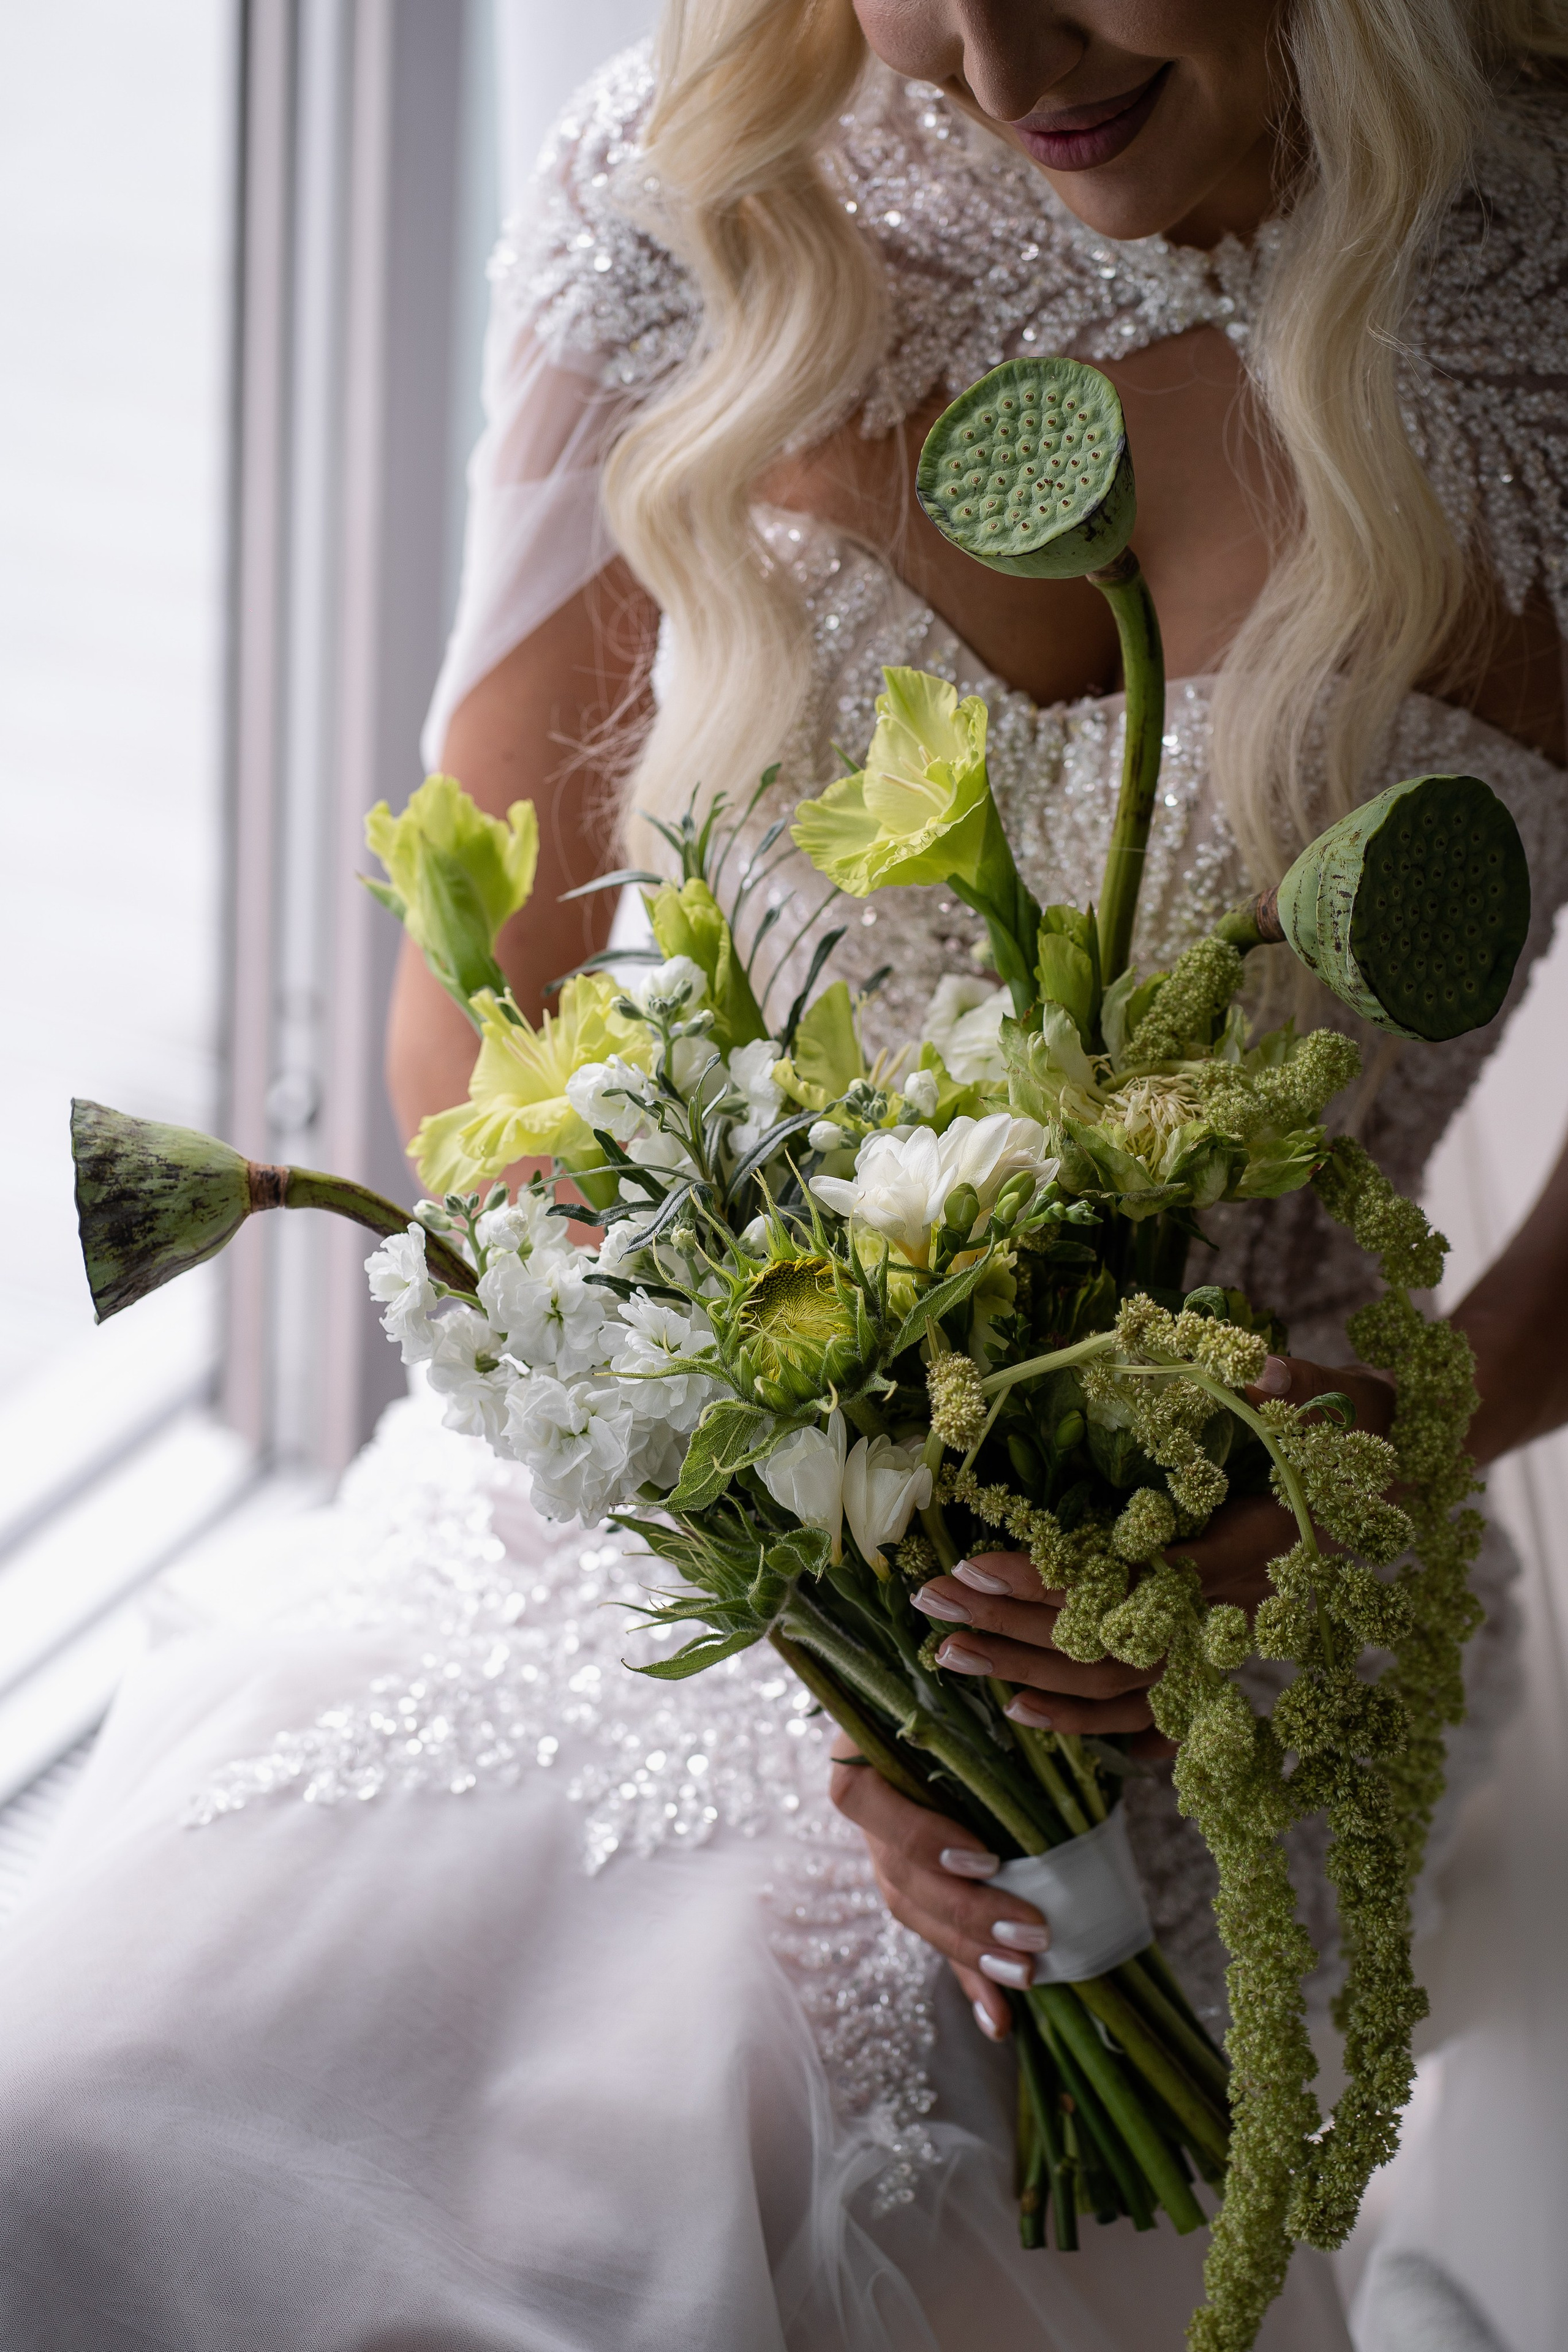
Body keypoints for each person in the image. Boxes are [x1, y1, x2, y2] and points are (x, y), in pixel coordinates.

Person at [2, 4, 1567, 2346]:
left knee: (741, 2211)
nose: (999, 54)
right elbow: (487, 1014)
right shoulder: (707, 189)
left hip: (1237, 1583)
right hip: (677, 1490)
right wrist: (814, 1568)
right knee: (98, 2114)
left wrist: (1384, 1447)